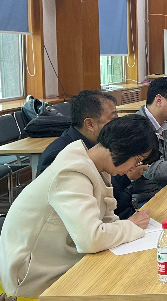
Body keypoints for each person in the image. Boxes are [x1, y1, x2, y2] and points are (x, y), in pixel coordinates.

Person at [0, 115, 158, 301]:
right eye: (137, 159)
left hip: (56, 254)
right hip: (33, 275)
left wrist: (126, 227)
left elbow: (106, 219)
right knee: (135, 280)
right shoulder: (72, 173)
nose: (136, 167)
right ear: (122, 149)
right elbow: (91, 238)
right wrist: (130, 226)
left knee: (137, 269)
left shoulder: (94, 166)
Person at [37, 90, 146, 219]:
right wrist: (127, 176)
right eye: (112, 120)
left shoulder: (99, 145)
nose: (117, 126)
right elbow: (79, 216)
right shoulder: (61, 154)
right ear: (89, 124)